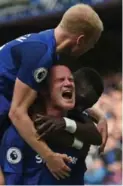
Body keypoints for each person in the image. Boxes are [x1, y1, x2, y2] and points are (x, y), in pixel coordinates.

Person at [0, 3, 104, 179]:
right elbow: (17, 113)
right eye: (92, 44)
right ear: (80, 40)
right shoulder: (40, 54)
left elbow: (51, 95)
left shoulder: (47, 46)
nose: (91, 49)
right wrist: (49, 157)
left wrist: (98, 116)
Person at [1, 65, 104, 184]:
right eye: (61, 80)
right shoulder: (20, 130)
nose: (80, 108)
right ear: (44, 90)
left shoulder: (79, 128)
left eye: (70, 80)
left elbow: (96, 138)